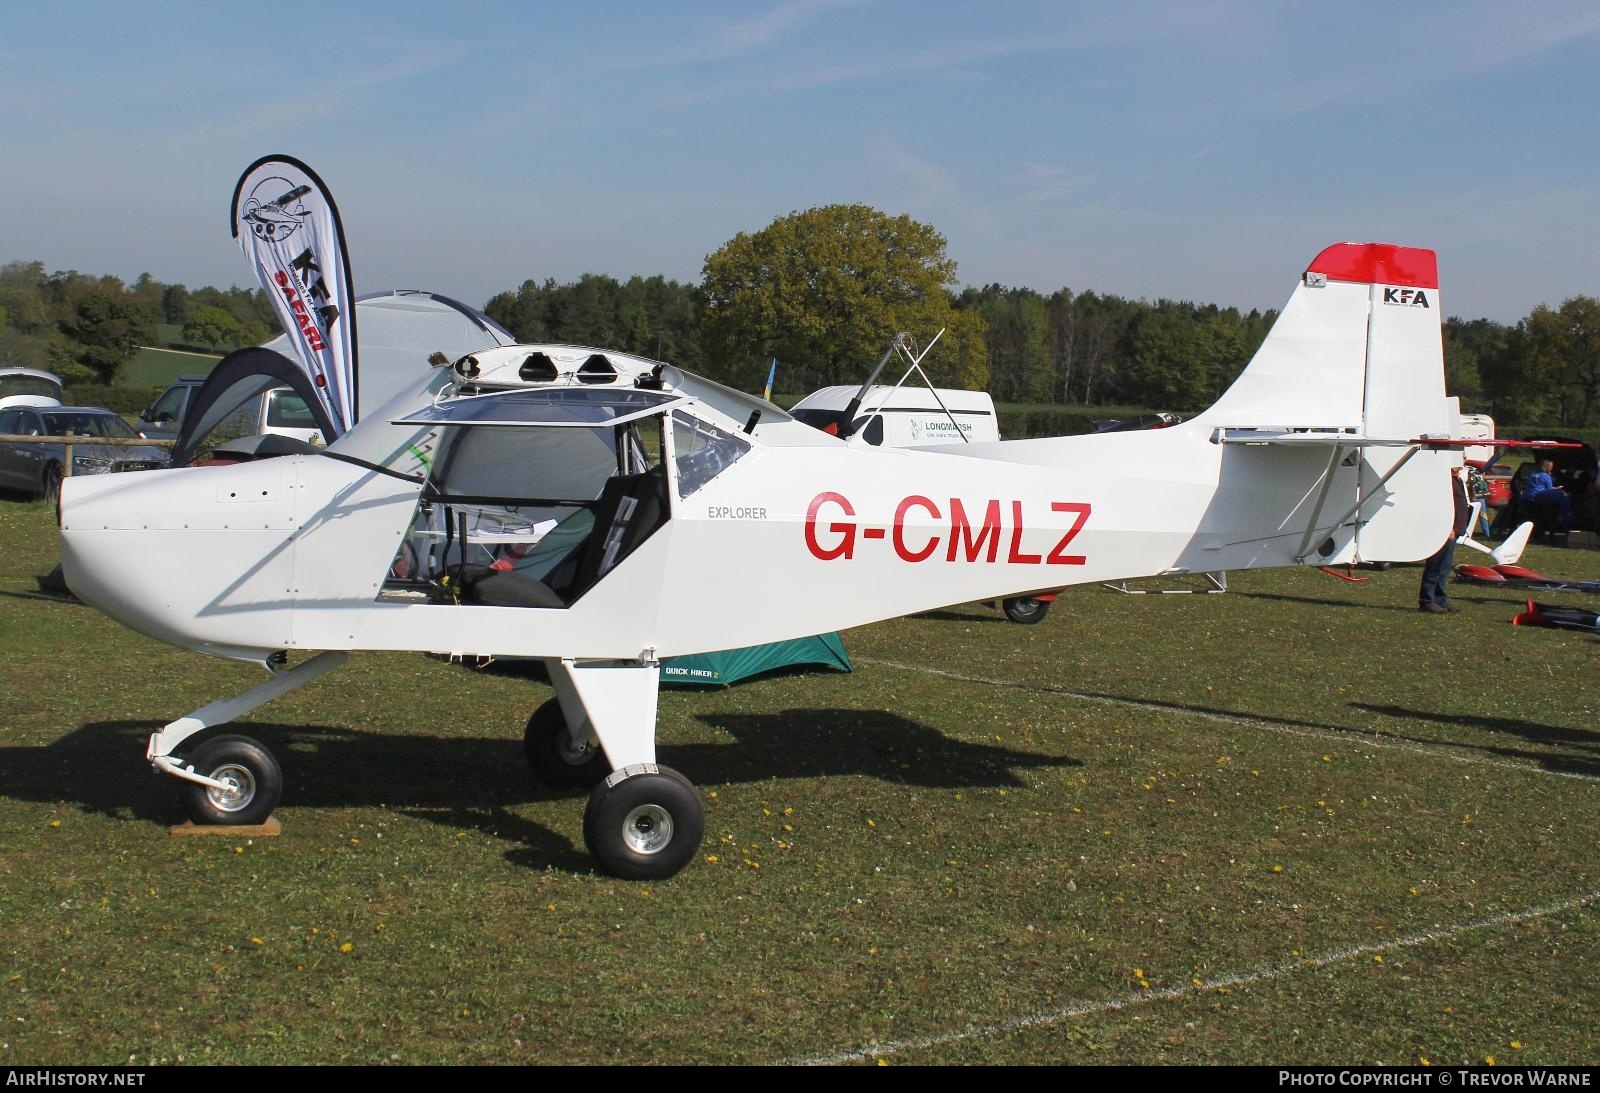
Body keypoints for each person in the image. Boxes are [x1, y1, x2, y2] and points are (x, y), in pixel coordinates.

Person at [1418, 466, 1471, 614]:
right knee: (1435, 566)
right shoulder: (1442, 481)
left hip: (1456, 529)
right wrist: (1447, 528)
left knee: (1444, 567)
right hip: (1446, 531)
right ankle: (1427, 600)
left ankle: (1440, 597)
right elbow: (1440, 505)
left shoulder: (1456, 479)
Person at [1520, 457, 1572, 540]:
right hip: (1537, 498)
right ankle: (1544, 535)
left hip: (1526, 498)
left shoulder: (1533, 473)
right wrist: (1558, 488)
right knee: (1542, 517)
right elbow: (1549, 490)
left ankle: (1525, 534)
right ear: (1548, 467)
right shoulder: (1546, 476)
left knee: (1528, 517)